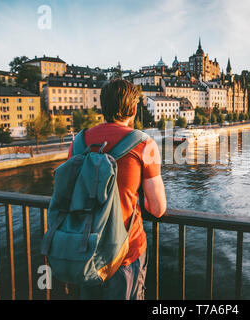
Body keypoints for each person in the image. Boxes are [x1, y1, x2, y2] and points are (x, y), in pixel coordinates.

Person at [68, 79, 166, 300]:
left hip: (85, 249)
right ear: (133, 109)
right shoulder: (144, 144)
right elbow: (158, 208)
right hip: (125, 254)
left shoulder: (79, 142)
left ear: (103, 107)